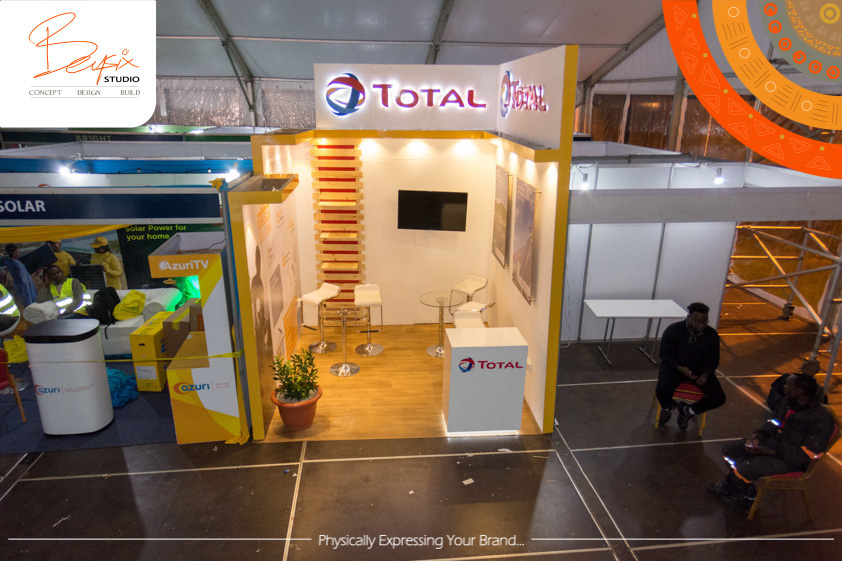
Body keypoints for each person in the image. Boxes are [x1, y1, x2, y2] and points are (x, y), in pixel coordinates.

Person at [708, 374, 836, 507]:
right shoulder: (787, 402)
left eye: (788, 384)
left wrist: (768, 452)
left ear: (799, 391)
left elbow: (804, 455)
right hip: (774, 445)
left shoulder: (820, 420)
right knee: (729, 451)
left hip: (792, 460)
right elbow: (774, 421)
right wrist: (759, 435)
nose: (784, 386)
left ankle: (740, 493)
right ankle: (742, 488)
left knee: (746, 467)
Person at [656, 302, 726, 430]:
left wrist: (705, 374)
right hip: (676, 368)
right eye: (697, 321)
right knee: (662, 389)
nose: (702, 325)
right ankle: (668, 407)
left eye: (705, 322)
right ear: (688, 317)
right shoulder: (673, 330)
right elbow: (665, 354)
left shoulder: (711, 335)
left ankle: (688, 410)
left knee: (719, 398)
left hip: (699, 370)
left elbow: (714, 359)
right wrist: (679, 367)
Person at [1, 244, 37, 308]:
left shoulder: (8, 262)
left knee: (23, 303)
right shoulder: (18, 265)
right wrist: (36, 272)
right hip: (25, 288)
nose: (19, 253)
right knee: (30, 304)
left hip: (18, 286)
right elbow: (25, 280)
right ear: (14, 254)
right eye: (18, 252)